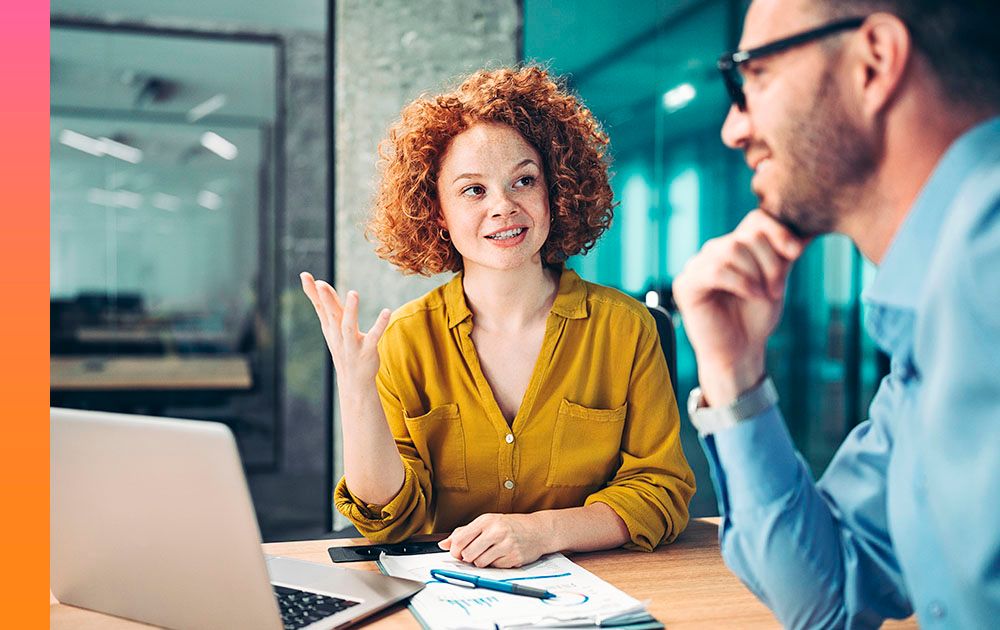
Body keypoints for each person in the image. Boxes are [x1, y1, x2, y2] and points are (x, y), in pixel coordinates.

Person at [672, 0, 1000, 627]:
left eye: (754, 75)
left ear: (874, 63)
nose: (733, 129)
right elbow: (833, 595)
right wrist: (734, 375)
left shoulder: (985, 256)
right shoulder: (932, 314)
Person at [301, 66, 695, 569]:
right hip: (450, 597)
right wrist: (356, 387)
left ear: (555, 192)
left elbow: (662, 489)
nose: (503, 207)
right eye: (473, 190)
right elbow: (388, 519)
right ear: (437, 211)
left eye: (523, 181)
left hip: (601, 595)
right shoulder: (404, 340)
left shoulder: (626, 327)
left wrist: (542, 531)